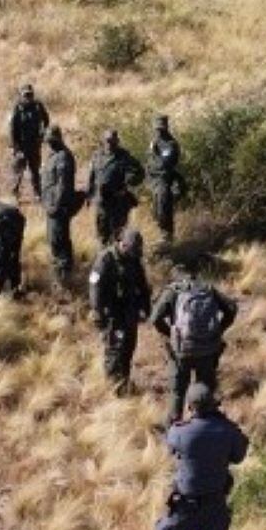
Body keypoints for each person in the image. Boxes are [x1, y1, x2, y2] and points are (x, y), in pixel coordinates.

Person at [154, 382, 249, 530]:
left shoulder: (180, 431)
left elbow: (171, 446)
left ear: (190, 406)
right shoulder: (227, 431)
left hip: (184, 507)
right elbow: (239, 455)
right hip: (215, 505)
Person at [151, 266, 239, 424]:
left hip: (181, 351)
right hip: (207, 349)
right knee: (205, 391)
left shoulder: (173, 290)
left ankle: (175, 433)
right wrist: (218, 330)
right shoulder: (208, 289)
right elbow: (232, 308)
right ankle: (208, 427)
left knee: (177, 393)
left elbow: (155, 318)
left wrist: (170, 334)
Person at [89, 228, 152, 395]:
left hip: (130, 312)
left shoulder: (134, 258)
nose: (134, 253)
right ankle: (113, 388)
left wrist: (146, 307)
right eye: (131, 249)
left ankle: (124, 381)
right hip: (112, 314)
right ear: (122, 244)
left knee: (128, 348)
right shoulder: (105, 259)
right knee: (114, 350)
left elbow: (142, 285)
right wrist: (98, 312)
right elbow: (95, 288)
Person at [88, 130, 147, 246]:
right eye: (107, 141)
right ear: (103, 141)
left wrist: (128, 182)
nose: (109, 144)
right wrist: (90, 194)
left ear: (117, 141)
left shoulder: (124, 156)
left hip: (118, 202)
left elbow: (139, 172)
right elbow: (92, 175)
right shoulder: (97, 155)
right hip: (102, 201)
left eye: (112, 141)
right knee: (102, 233)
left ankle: (118, 258)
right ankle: (104, 256)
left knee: (118, 234)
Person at [41, 127, 83, 283]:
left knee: (59, 240)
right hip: (51, 206)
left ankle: (64, 279)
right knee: (54, 239)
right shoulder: (53, 155)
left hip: (58, 208)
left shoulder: (63, 157)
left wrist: (56, 206)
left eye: (52, 141)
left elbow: (63, 186)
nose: (49, 144)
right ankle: (60, 274)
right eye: (48, 141)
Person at [8, 84, 52, 201]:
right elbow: (12, 130)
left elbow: (46, 119)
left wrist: (43, 134)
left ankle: (37, 194)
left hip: (34, 144)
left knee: (35, 171)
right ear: (21, 95)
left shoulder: (38, 106)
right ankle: (15, 195)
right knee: (18, 172)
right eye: (26, 94)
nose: (28, 97)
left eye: (30, 94)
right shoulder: (17, 108)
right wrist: (16, 148)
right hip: (21, 146)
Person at [149, 115, 185, 248]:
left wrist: (156, 153)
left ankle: (167, 237)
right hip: (154, 182)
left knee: (164, 209)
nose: (159, 131)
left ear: (166, 127)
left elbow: (166, 164)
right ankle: (162, 234)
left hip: (165, 181)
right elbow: (150, 163)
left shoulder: (171, 144)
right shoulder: (154, 142)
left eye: (161, 128)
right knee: (156, 211)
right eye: (157, 129)